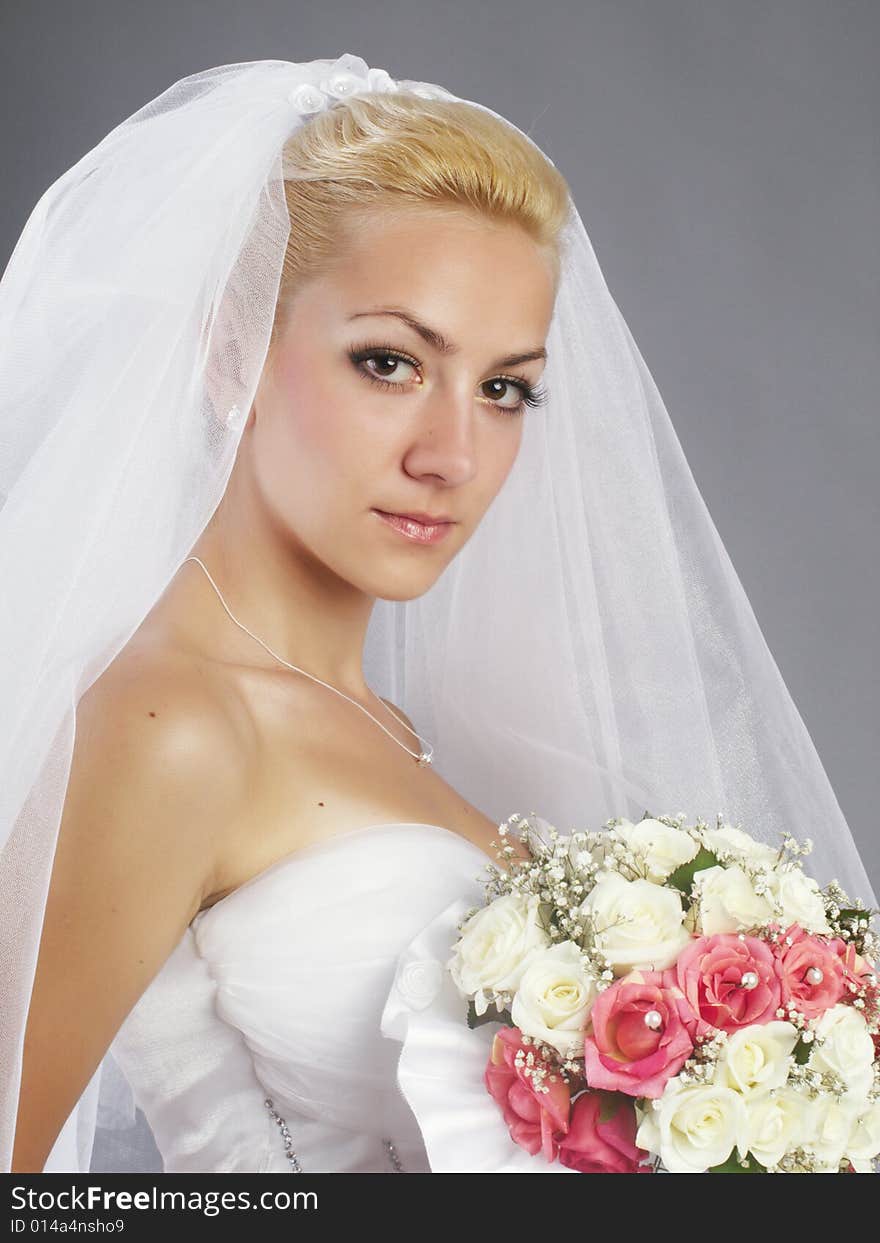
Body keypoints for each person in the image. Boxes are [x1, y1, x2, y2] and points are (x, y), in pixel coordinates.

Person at [1, 54, 876, 1174]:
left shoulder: (391, 728)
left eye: (503, 388)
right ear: (233, 353)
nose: (452, 455)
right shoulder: (172, 724)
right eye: (389, 362)